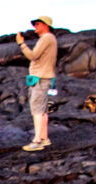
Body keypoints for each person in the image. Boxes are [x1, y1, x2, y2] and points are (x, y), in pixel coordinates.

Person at [16, 16, 57, 151]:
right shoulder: (49, 38)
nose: (35, 27)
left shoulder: (46, 38)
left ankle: (37, 141)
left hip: (40, 79)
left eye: (38, 24)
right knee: (43, 110)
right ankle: (44, 138)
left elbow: (33, 56)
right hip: (43, 78)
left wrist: (21, 44)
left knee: (37, 110)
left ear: (46, 25)